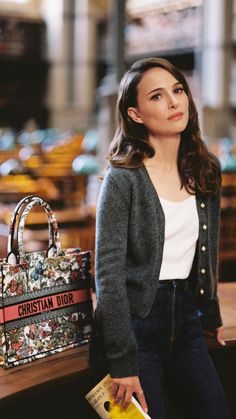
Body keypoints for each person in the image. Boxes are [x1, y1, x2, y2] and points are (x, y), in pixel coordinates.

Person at [94, 57, 230, 419]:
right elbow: (107, 275)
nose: (174, 102)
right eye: (157, 96)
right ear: (136, 114)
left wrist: (209, 313)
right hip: (136, 328)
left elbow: (207, 251)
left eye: (178, 90)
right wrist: (122, 360)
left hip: (186, 320)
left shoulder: (206, 168)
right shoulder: (122, 178)